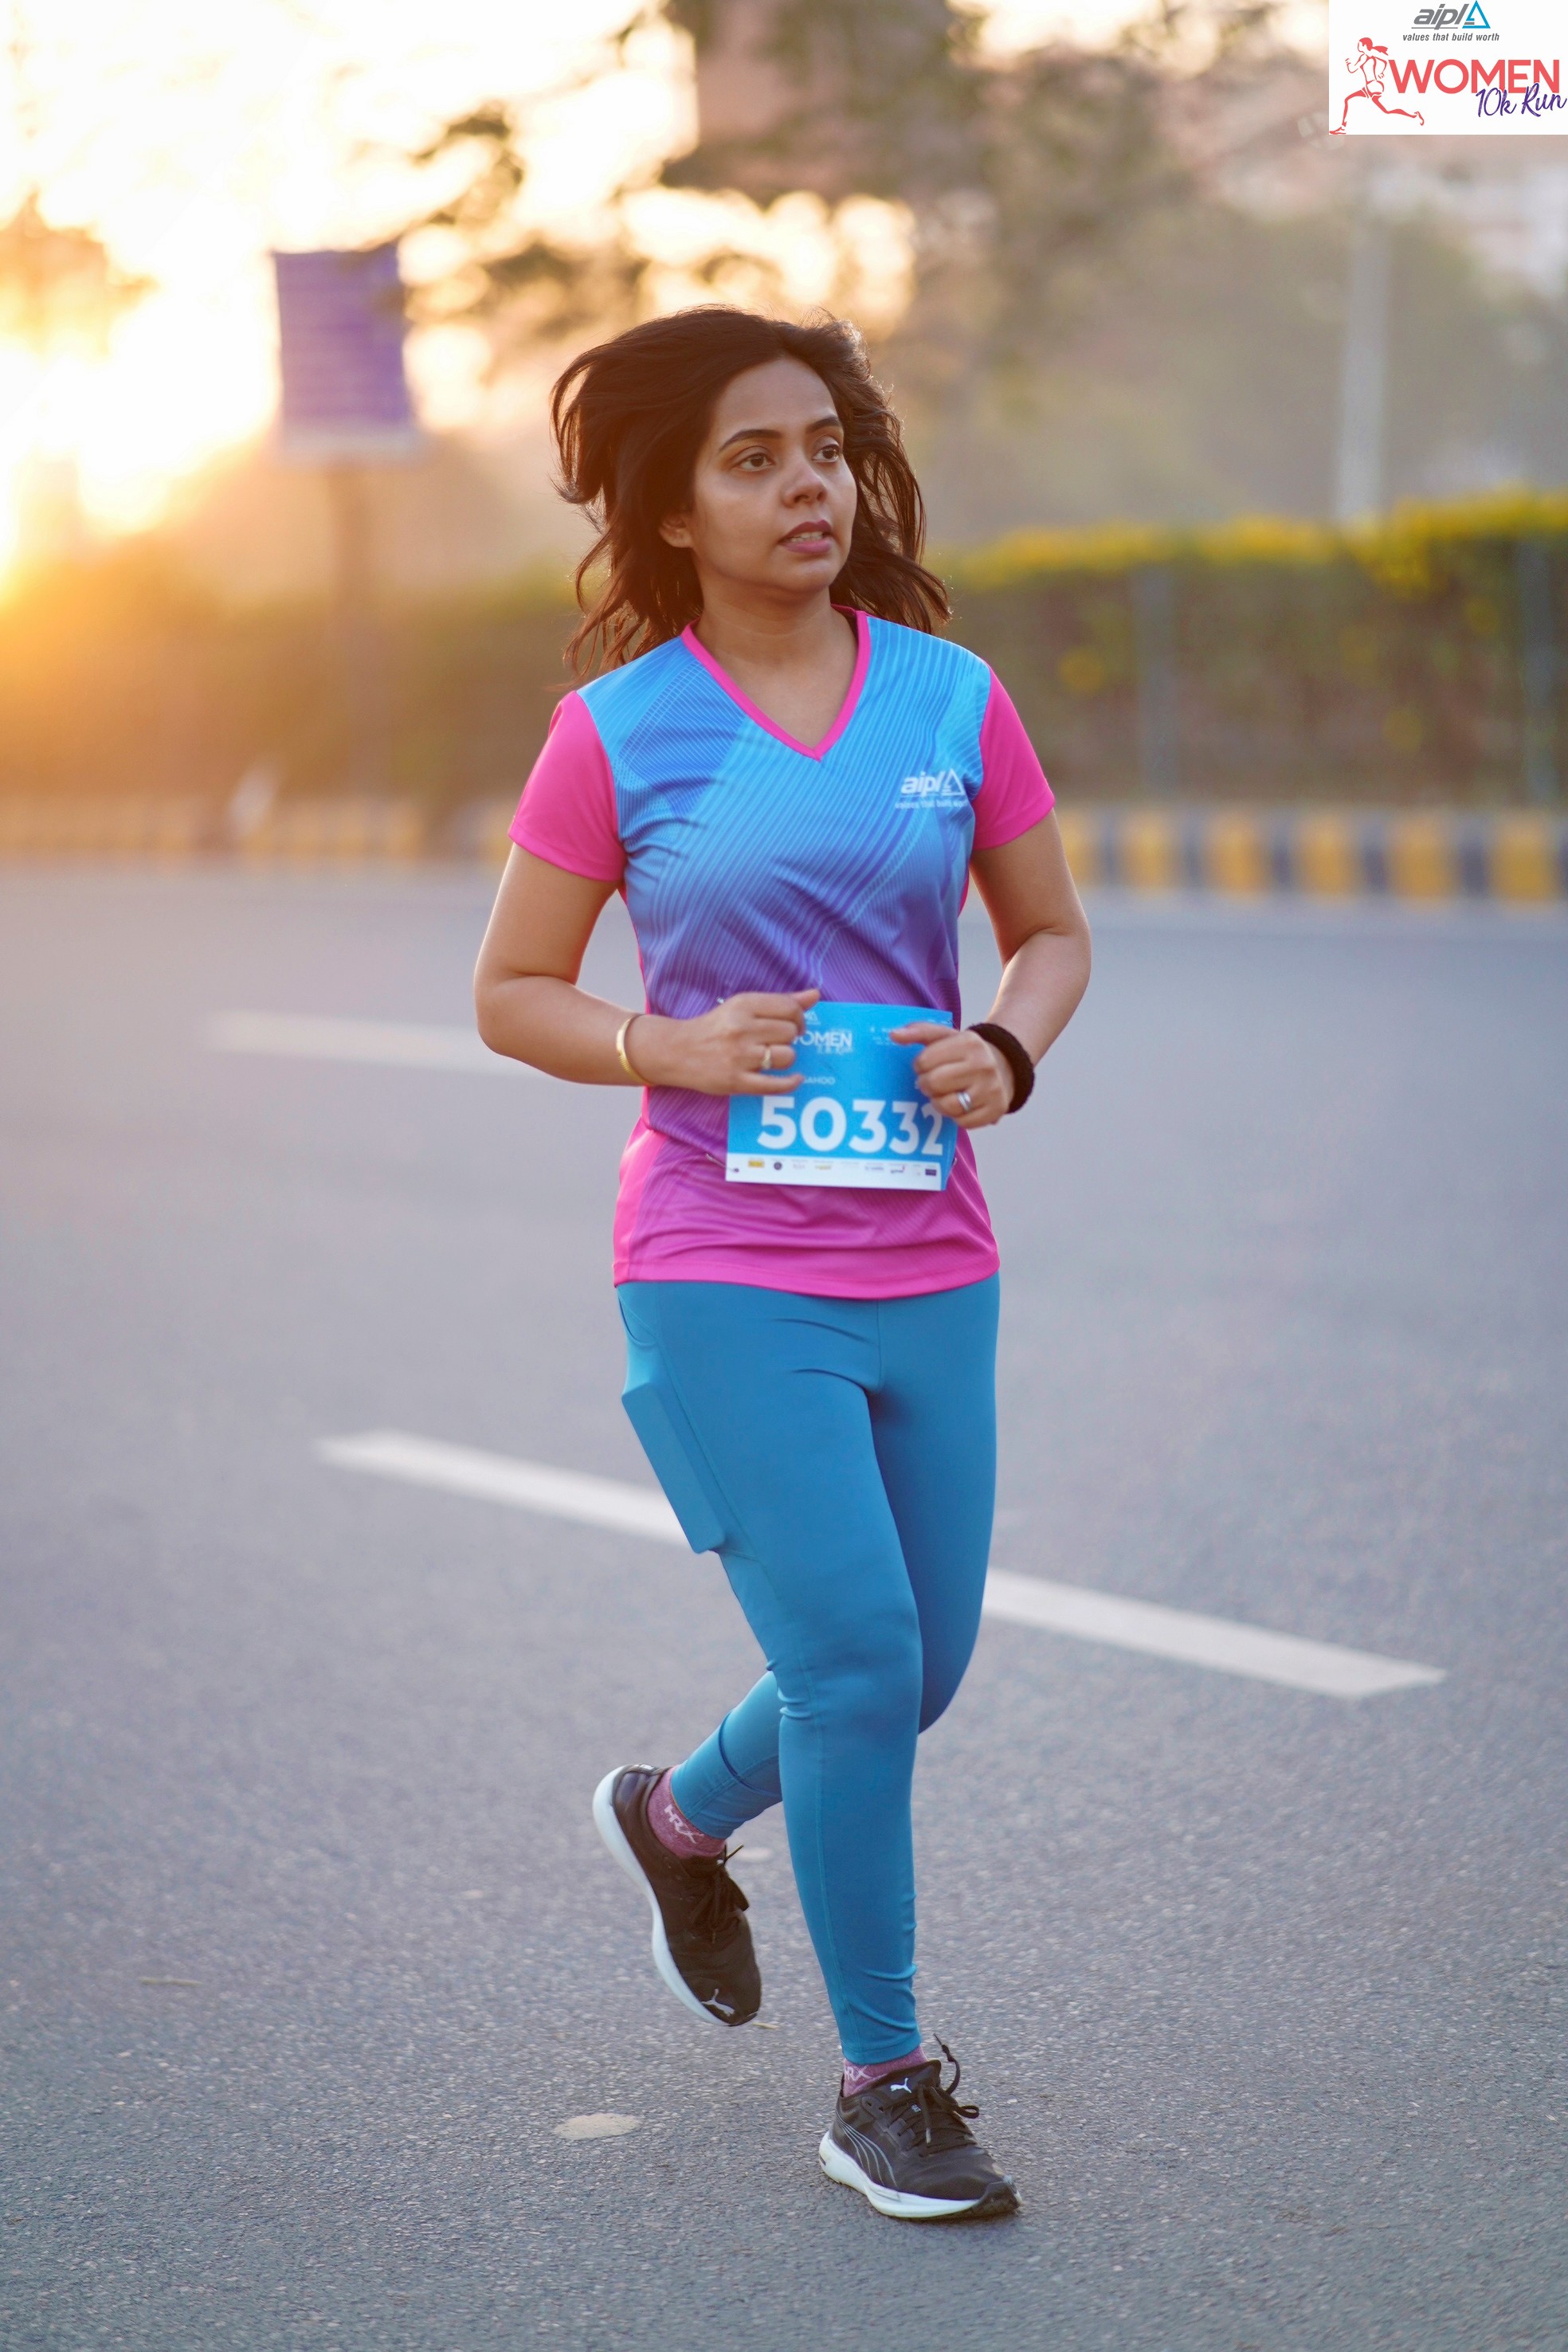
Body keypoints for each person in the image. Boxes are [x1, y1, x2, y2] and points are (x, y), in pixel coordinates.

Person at [474, 307, 1091, 2222]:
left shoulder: (949, 698)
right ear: (672, 510)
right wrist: (660, 1042)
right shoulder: (619, 733)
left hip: (933, 1252)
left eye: (823, 446)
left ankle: (675, 1821)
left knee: (916, 1668)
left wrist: (1004, 1049)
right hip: (719, 1258)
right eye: (752, 459)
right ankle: (884, 2083)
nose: (806, 484)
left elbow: (1052, 936)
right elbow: (513, 991)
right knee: (852, 1663)